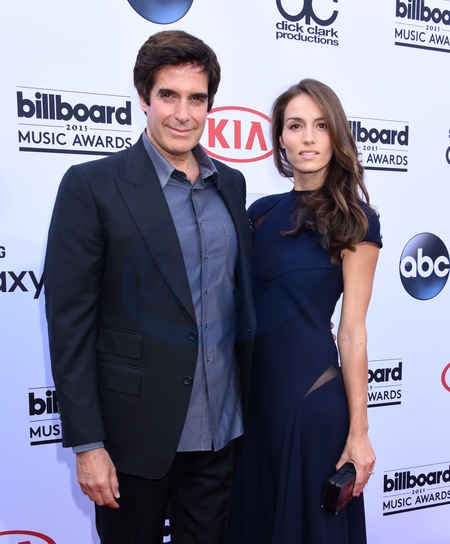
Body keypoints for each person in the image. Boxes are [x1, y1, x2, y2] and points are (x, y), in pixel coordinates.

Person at [44, 30, 255, 544]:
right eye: (168, 95)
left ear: (210, 104)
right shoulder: (92, 185)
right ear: (143, 98)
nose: (183, 114)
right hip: (132, 439)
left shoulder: (231, 184)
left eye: (196, 98)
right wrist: (88, 444)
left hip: (220, 431)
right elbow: (69, 325)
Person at [228, 79, 381, 544]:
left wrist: (359, 433)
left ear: (336, 135)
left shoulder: (357, 221)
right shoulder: (258, 213)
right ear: (280, 137)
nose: (308, 138)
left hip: (310, 404)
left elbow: (352, 332)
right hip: (251, 406)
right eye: (295, 126)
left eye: (320, 126)